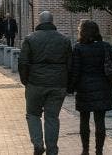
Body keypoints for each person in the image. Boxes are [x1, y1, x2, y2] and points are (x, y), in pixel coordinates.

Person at [18, 10, 73, 155]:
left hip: (35, 83)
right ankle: (52, 149)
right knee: (52, 117)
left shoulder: (30, 39)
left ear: (40, 21)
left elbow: (23, 62)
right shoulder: (64, 40)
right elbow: (70, 64)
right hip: (58, 83)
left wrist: (26, 81)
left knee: (33, 114)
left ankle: (37, 143)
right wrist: (69, 84)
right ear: (52, 21)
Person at [69, 20, 112, 155]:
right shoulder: (105, 46)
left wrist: (71, 87)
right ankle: (99, 151)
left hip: (84, 88)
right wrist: (110, 85)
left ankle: (85, 150)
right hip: (102, 87)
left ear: (82, 32)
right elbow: (111, 67)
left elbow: (75, 70)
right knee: (100, 121)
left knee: (84, 120)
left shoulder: (78, 48)